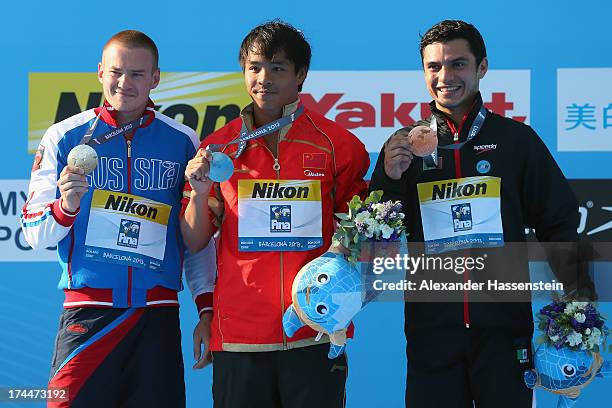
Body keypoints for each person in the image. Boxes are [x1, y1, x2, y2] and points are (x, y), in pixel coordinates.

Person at [369, 20, 592, 408]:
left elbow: (558, 223)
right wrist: (388, 179)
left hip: (504, 331)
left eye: (458, 64)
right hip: (431, 332)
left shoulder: (515, 141)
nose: (445, 77)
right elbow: (374, 235)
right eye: (434, 67)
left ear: (481, 67)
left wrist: (577, 305)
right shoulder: (402, 148)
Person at [181, 19, 369, 408]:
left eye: (278, 68)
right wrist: (199, 195)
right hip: (239, 335)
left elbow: (363, 234)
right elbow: (195, 240)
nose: (264, 78)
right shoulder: (217, 148)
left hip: (314, 329)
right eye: (254, 67)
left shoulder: (339, 145)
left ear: (300, 74)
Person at [21, 30, 214, 408]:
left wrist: (206, 307)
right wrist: (67, 206)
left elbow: (195, 239)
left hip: (156, 320)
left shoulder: (184, 141)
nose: (124, 83)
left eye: (137, 74)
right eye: (116, 72)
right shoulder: (64, 137)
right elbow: (33, 234)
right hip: (88, 315)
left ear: (155, 78)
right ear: (99, 72)